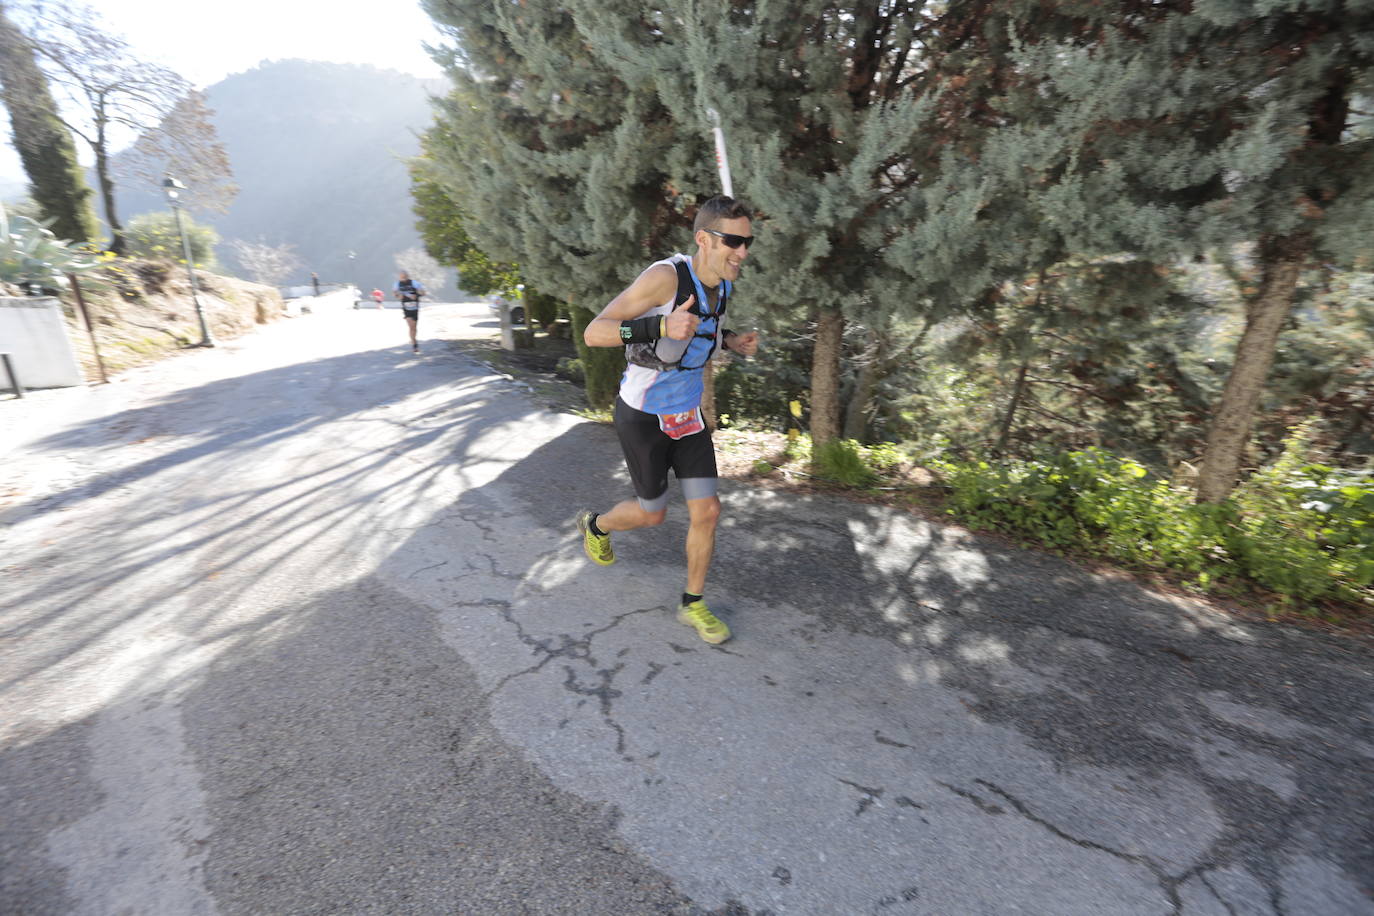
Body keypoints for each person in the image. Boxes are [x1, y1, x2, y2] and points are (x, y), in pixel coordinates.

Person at [576, 196, 759, 644]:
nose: (743, 252)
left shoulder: (724, 286)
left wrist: (731, 341)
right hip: (643, 416)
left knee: (708, 511)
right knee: (651, 514)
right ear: (703, 238)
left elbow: (704, 332)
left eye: (748, 242)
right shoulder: (665, 278)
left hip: (688, 415)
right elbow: (595, 331)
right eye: (733, 241)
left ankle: (692, 603)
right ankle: (597, 525)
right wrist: (656, 328)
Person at [393, 271, 426, 352]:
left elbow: (423, 292)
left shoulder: (415, 283)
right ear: (399, 277)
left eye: (404, 277)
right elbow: (395, 293)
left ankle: (414, 339)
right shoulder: (397, 284)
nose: (403, 279)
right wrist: (398, 296)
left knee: (414, 327)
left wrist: (417, 295)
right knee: (411, 326)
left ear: (408, 276)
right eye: (401, 277)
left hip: (415, 308)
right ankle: (414, 345)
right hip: (406, 308)